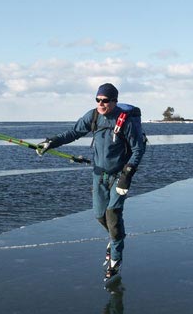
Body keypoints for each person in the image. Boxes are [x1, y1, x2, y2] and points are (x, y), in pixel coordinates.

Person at [36, 83, 146, 281]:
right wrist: (50, 141)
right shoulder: (93, 116)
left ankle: (116, 258)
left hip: (119, 176)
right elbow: (72, 133)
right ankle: (114, 238)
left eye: (105, 100)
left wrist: (127, 175)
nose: (101, 104)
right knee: (98, 215)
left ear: (114, 101)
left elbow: (138, 149)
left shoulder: (125, 121)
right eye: (98, 100)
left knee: (113, 213)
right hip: (99, 174)